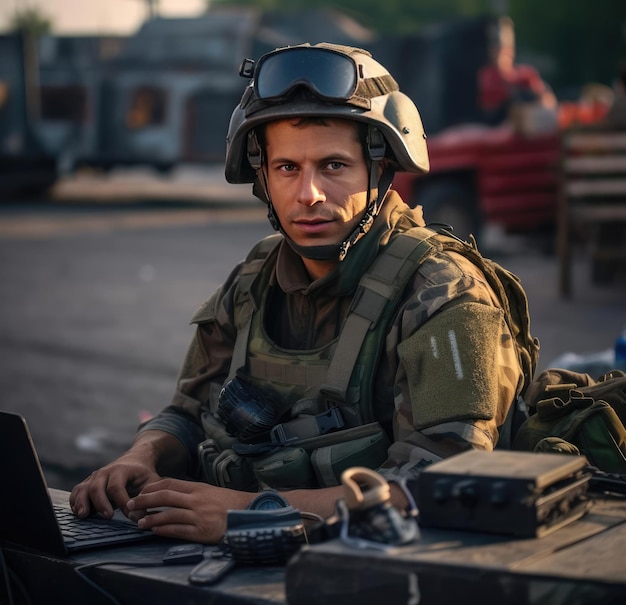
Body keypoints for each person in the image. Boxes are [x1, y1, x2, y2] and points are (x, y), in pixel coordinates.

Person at [70, 42, 537, 545]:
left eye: (333, 166)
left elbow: (445, 485)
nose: (308, 193)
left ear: (379, 170)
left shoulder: (442, 294)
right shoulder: (253, 281)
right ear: (264, 178)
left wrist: (247, 512)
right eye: (287, 168)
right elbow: (188, 412)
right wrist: (141, 456)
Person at [478, 17, 556, 125]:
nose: (499, 50)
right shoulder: (488, 76)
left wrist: (539, 97)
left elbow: (547, 100)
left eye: (504, 46)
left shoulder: (527, 74)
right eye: (495, 45)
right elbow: (492, 108)